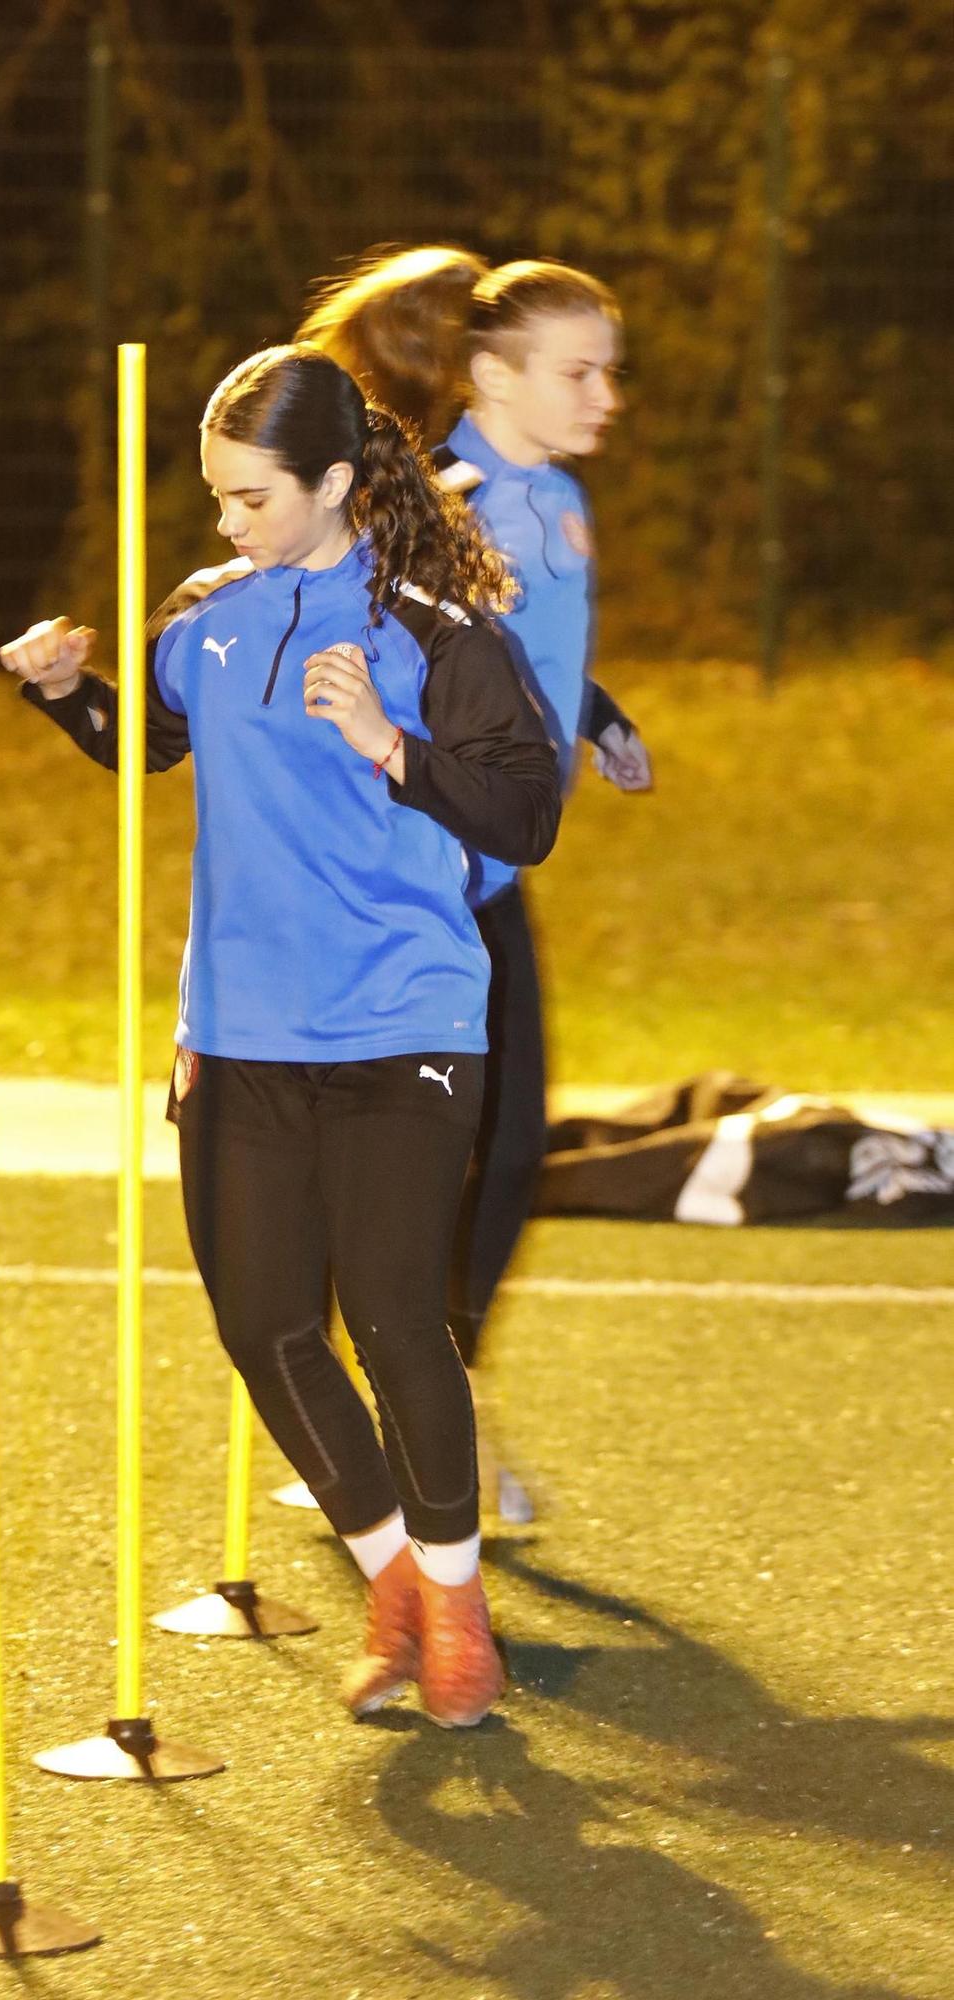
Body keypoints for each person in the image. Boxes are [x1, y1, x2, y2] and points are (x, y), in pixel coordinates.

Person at [0, 344, 561, 1729]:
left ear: (333, 480)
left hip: (400, 1021)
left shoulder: (436, 624)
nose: (229, 526)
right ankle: (391, 1585)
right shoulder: (211, 613)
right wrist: (72, 690)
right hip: (238, 1034)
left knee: (389, 1320)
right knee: (263, 1326)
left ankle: (459, 1611)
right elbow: (156, 744)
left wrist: (389, 744)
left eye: (252, 500)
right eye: (217, 500)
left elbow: (524, 810)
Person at [298, 248, 653, 1514]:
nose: (605, 395)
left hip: (490, 871)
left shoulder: (550, 495)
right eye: (578, 372)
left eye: (611, 370)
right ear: (494, 375)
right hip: (424, 877)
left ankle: (425, 1408)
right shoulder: (446, 504)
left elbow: (510, 653)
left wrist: (592, 712)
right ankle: (426, 1424)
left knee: (501, 1153)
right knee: (475, 1157)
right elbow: (393, 673)